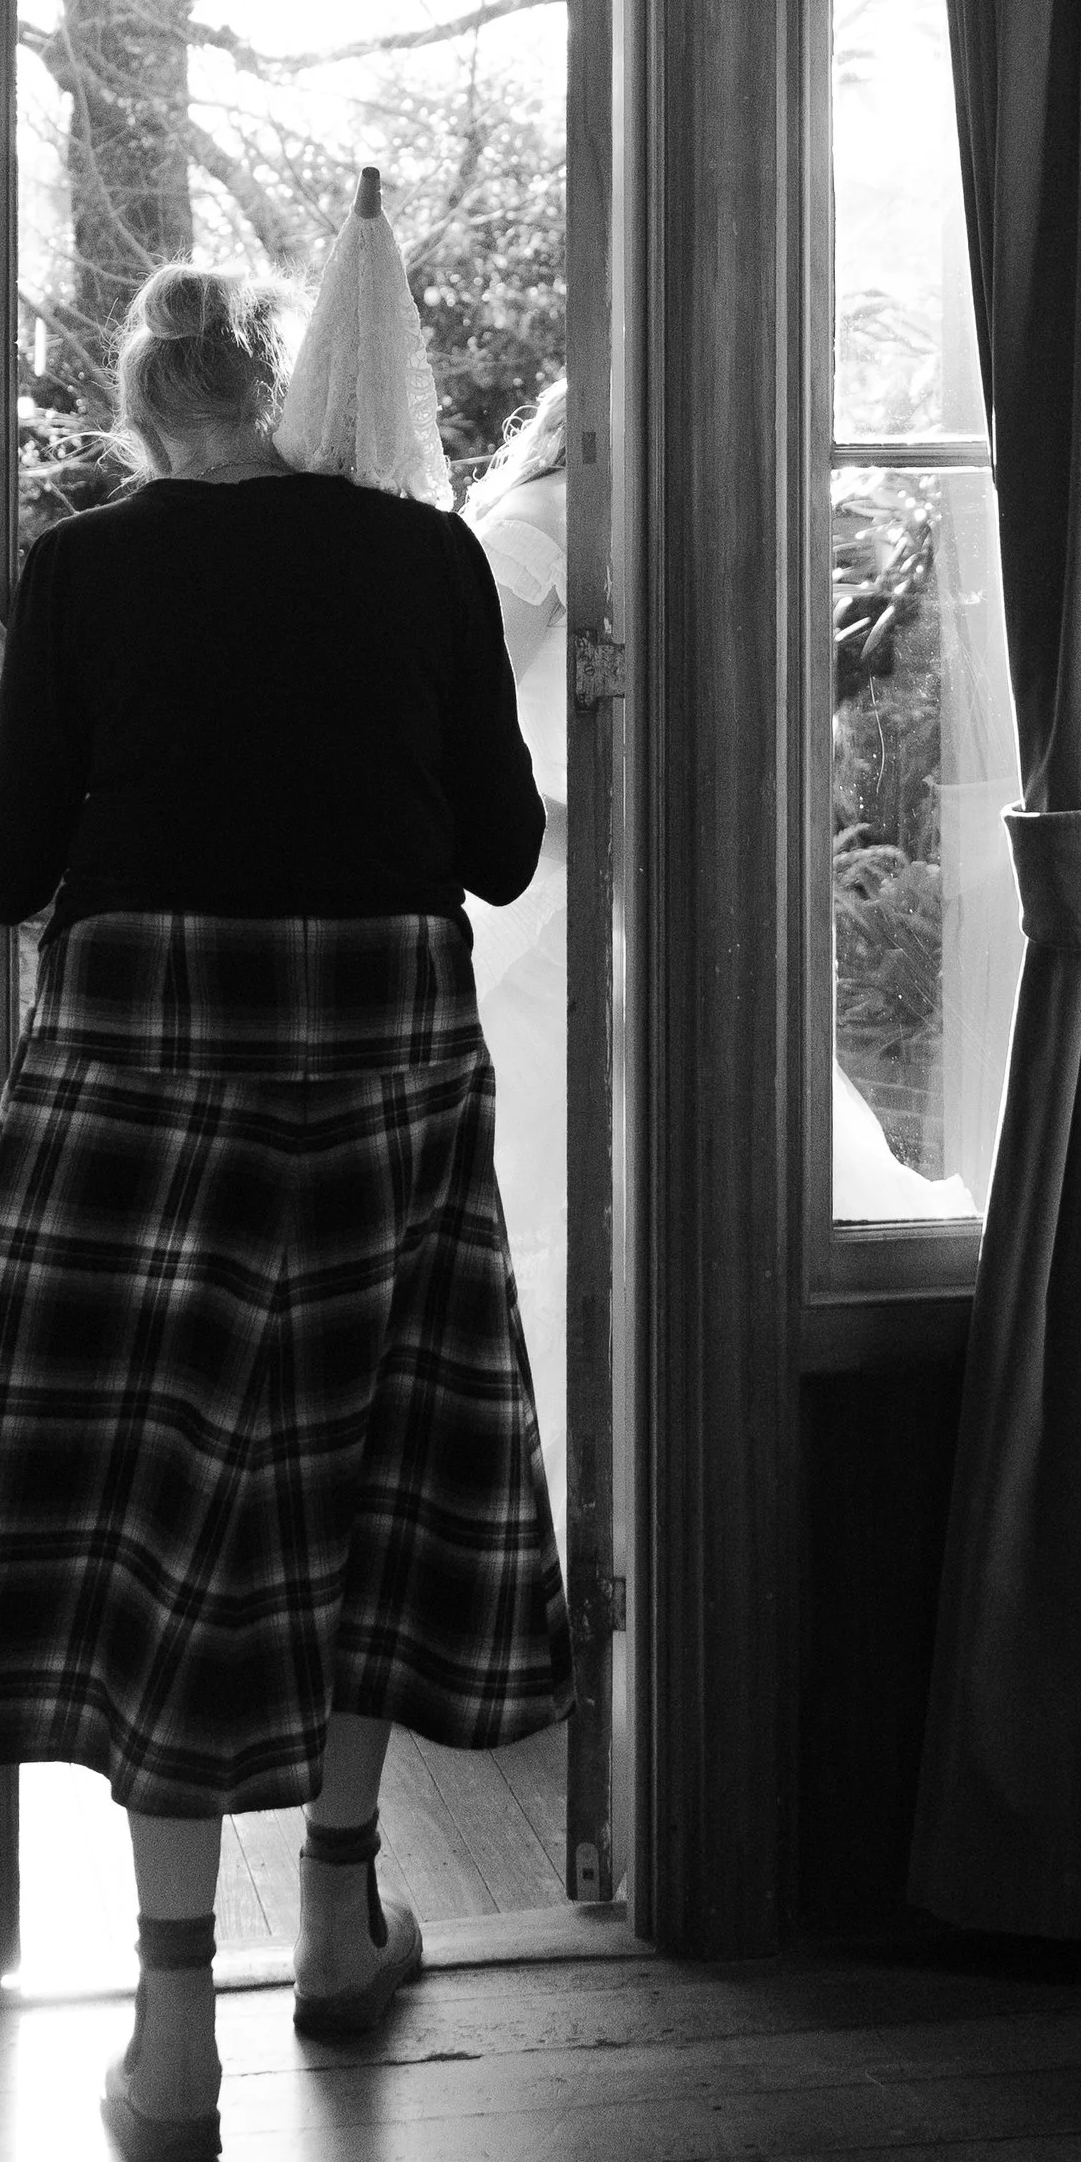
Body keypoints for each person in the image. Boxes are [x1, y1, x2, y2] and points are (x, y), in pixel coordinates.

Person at [0, 263, 569, 2162]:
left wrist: (14, 710)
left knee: (171, 1522)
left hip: (142, 1079)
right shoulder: (425, 559)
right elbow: (498, 854)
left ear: (138, 411)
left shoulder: (83, 573)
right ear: (271, 392)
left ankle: (170, 2044)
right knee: (364, 1485)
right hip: (384, 1072)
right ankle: (333, 1925)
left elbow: (11, 877)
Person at [463, 377, 573, 1505]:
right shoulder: (545, 529)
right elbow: (462, 740)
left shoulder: (552, 524)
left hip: (574, 899)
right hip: (549, 895)